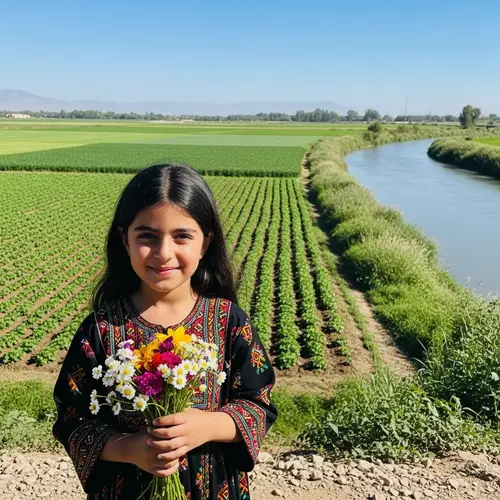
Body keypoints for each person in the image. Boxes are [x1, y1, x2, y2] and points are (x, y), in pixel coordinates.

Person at [53, 164, 277, 500]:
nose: (163, 253)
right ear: (124, 241)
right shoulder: (101, 329)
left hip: (213, 488)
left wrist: (206, 426)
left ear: (206, 243)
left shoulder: (229, 322)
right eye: (147, 236)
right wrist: (131, 449)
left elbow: (259, 406)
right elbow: (72, 422)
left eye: (182, 236)